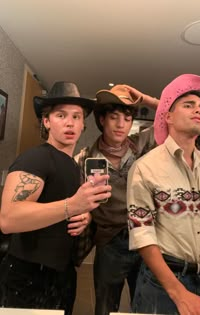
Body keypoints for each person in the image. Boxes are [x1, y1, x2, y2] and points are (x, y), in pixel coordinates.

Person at [127, 74, 200, 315]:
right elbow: (142, 233)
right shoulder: (145, 167)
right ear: (168, 116)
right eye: (188, 105)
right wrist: (178, 293)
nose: (198, 110)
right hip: (161, 282)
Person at [0, 81, 111, 315]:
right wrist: (73, 205)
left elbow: (60, 208)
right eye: (61, 115)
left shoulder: (72, 165)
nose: (70, 122)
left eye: (77, 116)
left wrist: (85, 217)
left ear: (83, 125)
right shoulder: (36, 159)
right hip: (28, 276)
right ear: (47, 121)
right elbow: (9, 219)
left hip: (62, 274)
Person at [75, 84, 159, 315]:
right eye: (114, 117)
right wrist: (84, 213)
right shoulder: (85, 159)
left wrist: (145, 98)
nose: (121, 125)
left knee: (145, 304)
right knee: (105, 306)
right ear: (102, 120)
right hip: (109, 242)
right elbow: (81, 202)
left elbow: (171, 118)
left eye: (127, 118)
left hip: (143, 238)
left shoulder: (140, 144)